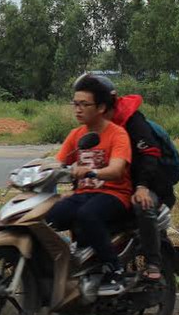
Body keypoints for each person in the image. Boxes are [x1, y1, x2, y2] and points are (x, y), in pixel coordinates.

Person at [46, 74, 133, 295]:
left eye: (84, 104)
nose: (78, 109)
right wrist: (28, 173)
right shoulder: (77, 134)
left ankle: (115, 271)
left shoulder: (117, 134)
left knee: (87, 215)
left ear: (102, 107)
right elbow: (56, 163)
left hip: (114, 194)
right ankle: (66, 264)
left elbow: (117, 170)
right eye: (75, 104)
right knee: (47, 218)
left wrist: (92, 171)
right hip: (85, 194)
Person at [101, 77, 176, 281]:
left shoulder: (133, 121)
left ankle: (153, 261)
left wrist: (142, 186)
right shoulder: (96, 125)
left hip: (151, 185)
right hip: (119, 186)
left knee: (142, 204)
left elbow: (150, 155)